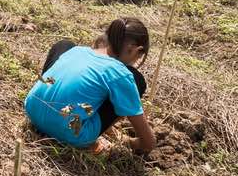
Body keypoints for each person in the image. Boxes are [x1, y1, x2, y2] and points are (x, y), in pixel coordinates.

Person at [25, 18, 154, 155]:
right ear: (135, 50)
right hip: (70, 133)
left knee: (64, 44)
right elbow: (148, 143)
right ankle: (88, 131)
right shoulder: (121, 74)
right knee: (137, 80)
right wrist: (129, 142)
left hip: (32, 111)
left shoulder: (77, 51)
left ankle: (48, 103)